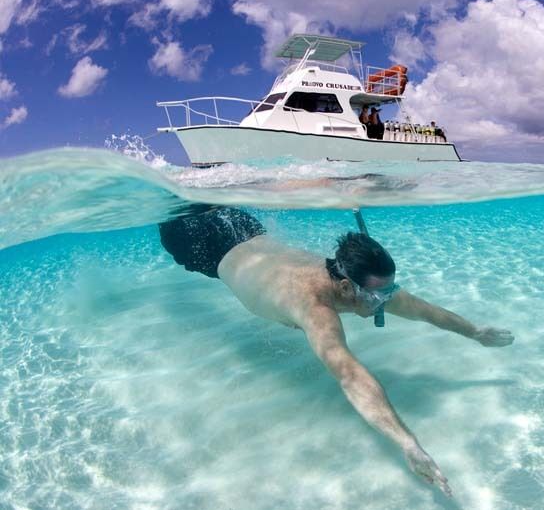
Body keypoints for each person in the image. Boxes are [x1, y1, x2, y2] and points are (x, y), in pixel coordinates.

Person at [158, 205, 514, 497]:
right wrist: (406, 443)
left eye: (390, 292)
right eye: (378, 297)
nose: (385, 303)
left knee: (206, 198)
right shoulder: (315, 308)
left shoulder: (366, 285)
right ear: (344, 286)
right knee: (173, 202)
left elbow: (422, 310)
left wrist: (475, 332)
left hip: (245, 228)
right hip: (200, 247)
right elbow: (349, 374)